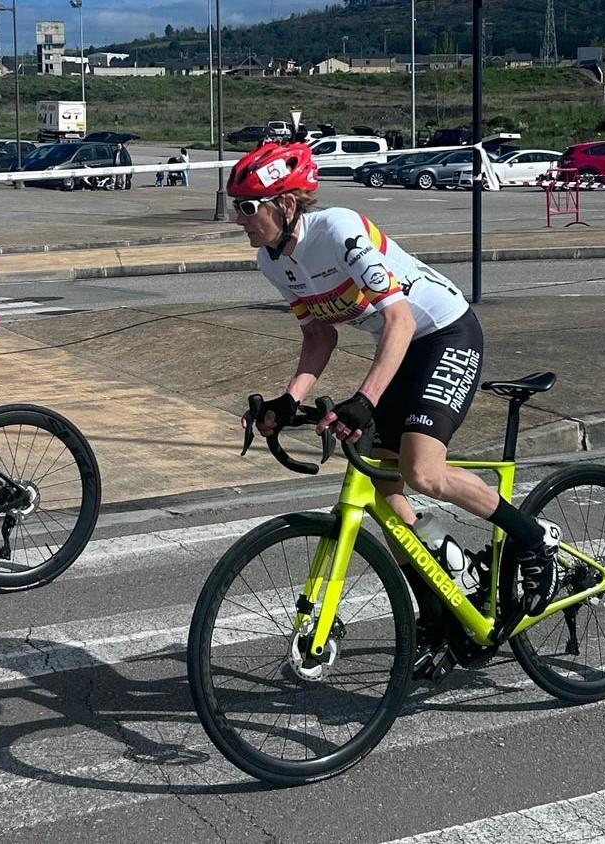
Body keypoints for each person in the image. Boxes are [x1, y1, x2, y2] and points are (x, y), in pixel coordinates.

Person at [230, 142, 561, 656]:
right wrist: (289, 401)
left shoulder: (339, 230)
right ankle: (437, 614)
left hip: (444, 331)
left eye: (249, 207)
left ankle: (533, 539)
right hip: (398, 349)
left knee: (423, 471)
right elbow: (320, 338)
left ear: (287, 204)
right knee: (384, 489)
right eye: (237, 207)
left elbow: (401, 318)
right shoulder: (273, 264)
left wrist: (364, 399)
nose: (240, 219)